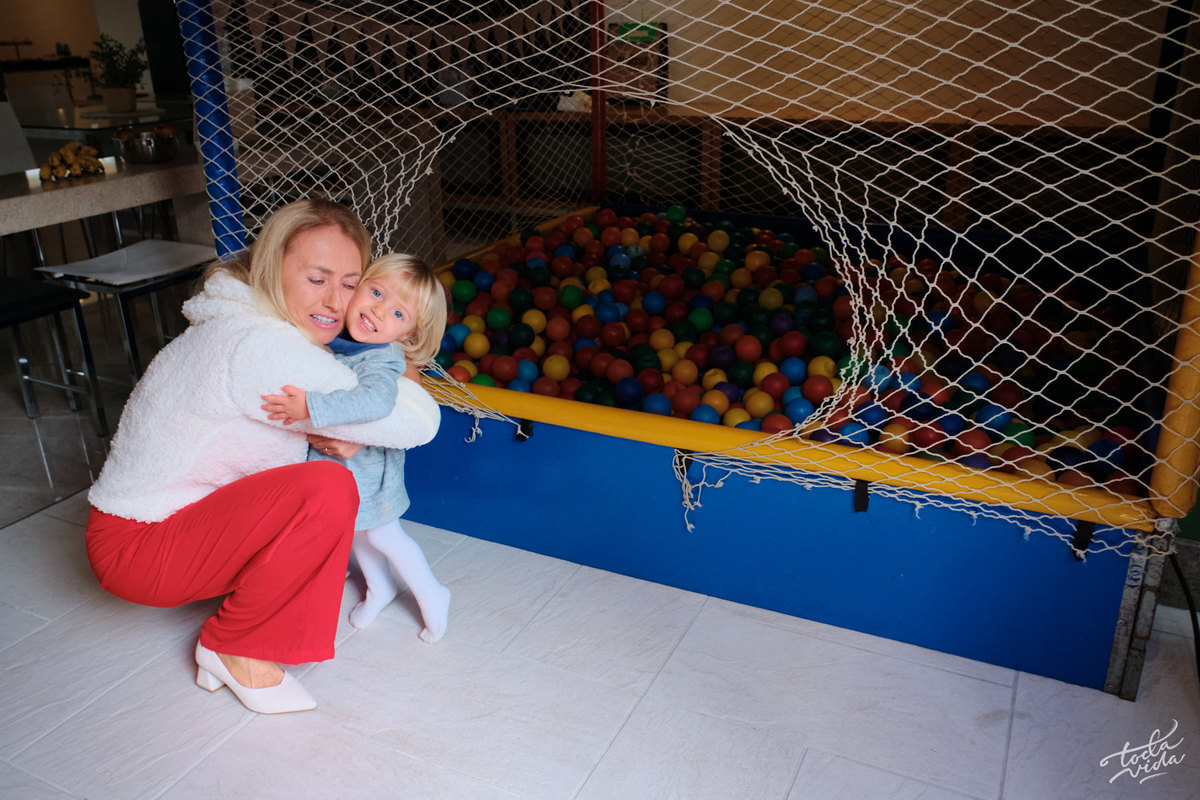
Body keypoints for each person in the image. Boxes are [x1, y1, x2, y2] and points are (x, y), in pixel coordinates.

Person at [84, 198, 441, 715]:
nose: (337, 301)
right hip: (139, 549)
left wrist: (368, 407)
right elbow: (418, 422)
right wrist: (388, 393)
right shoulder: (261, 349)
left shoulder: (250, 322)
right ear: (273, 269)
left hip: (157, 528)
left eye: (350, 283)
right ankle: (235, 647)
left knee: (319, 491)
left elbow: (367, 401)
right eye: (316, 278)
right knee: (327, 489)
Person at [261, 253, 451, 642]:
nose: (379, 311)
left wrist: (310, 407)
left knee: (384, 535)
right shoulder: (344, 342)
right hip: (346, 472)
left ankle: (434, 592)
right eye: (376, 292)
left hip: (371, 472)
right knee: (356, 531)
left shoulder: (382, 358)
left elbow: (375, 404)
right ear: (358, 285)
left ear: (408, 335)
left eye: (398, 314)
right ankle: (380, 588)